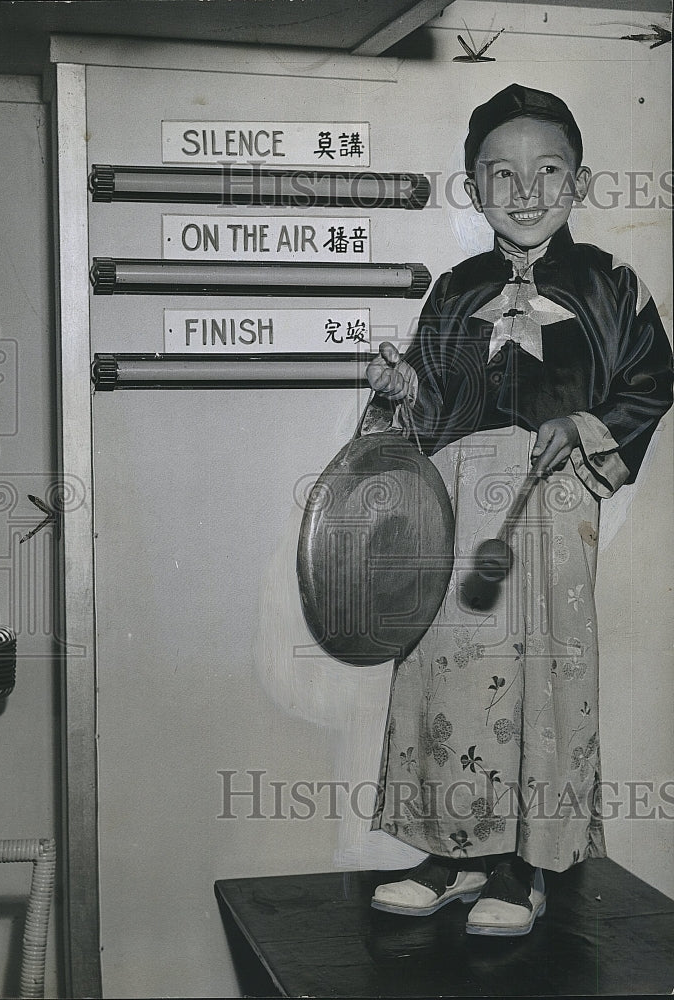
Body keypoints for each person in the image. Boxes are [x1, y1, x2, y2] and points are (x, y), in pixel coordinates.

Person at [363, 84, 673, 936]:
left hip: (550, 502)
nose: (526, 190)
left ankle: (524, 865)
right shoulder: (456, 290)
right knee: (440, 672)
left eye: (549, 171)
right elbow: (424, 412)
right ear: (473, 186)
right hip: (455, 513)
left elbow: (651, 380)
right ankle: (450, 849)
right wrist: (401, 393)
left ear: (578, 183)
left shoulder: (612, 285)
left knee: (543, 674)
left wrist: (583, 421)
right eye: (501, 174)